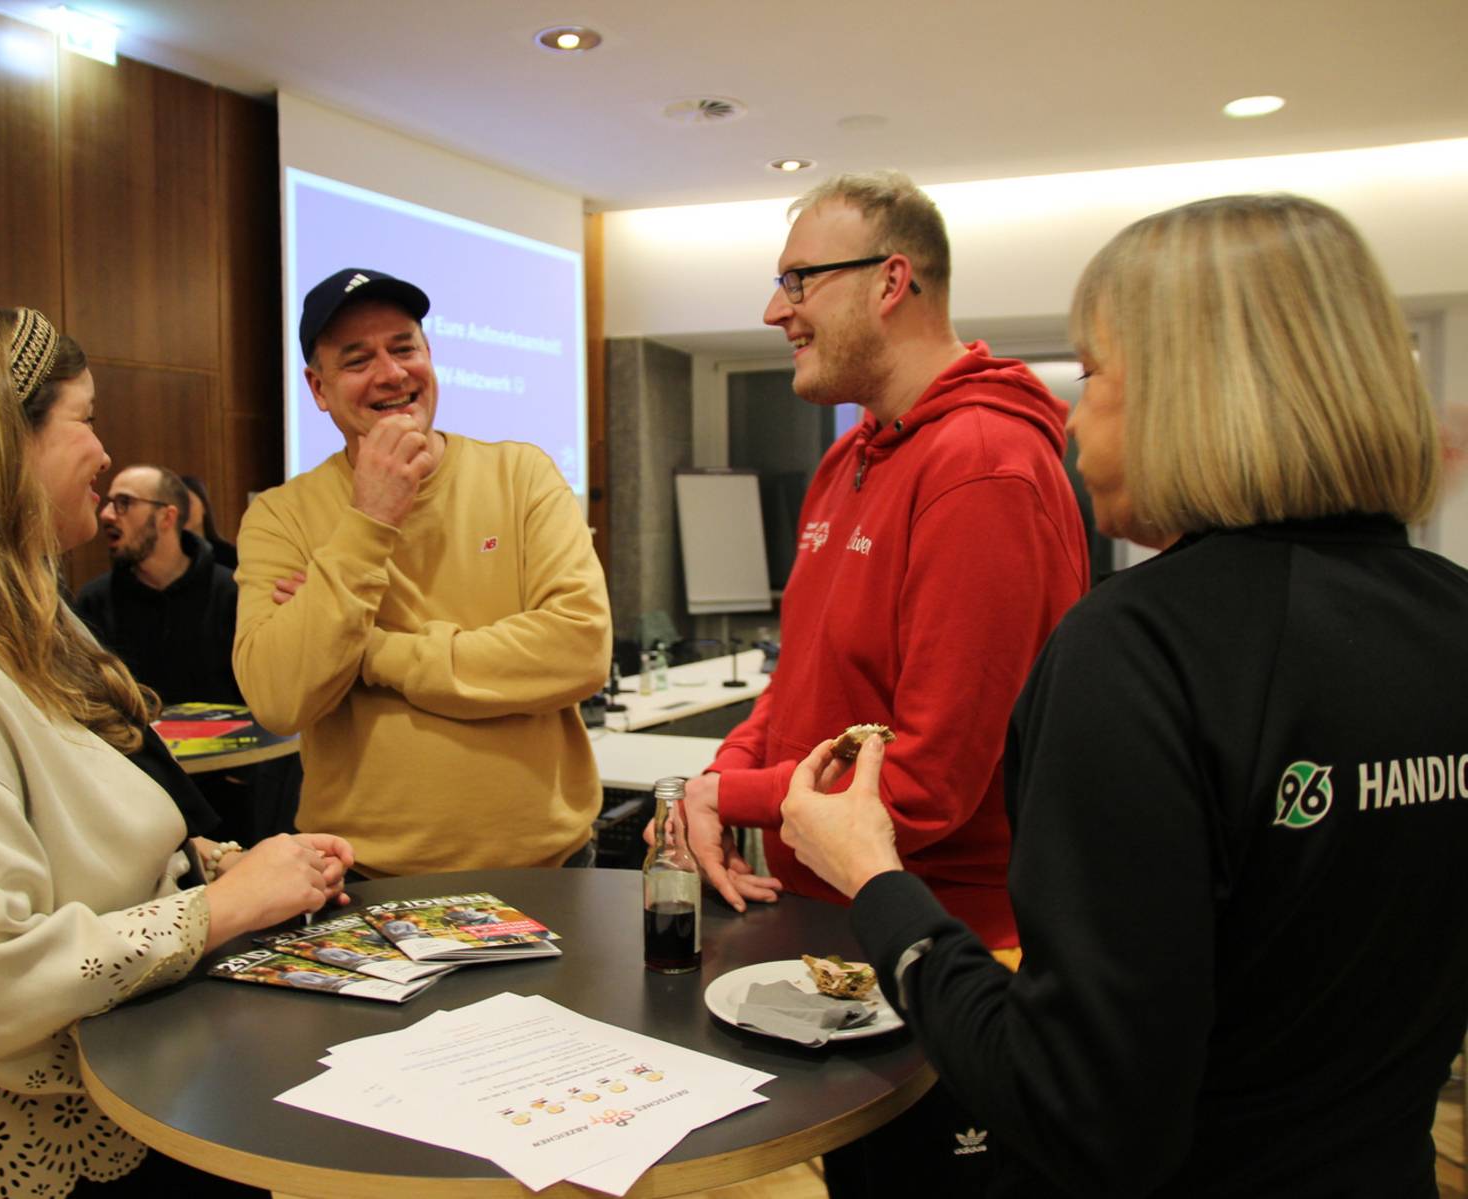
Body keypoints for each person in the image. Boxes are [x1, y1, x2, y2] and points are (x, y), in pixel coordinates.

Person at [780, 194, 1468, 1198]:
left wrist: (878, 883)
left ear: (1194, 392)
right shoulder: (1448, 617)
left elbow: (1081, 1109)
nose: (1069, 413)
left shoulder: (1137, 649)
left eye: (1092, 374)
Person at [0, 306, 355, 1198]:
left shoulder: (26, 620)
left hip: (137, 1104)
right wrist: (221, 910)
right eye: (84, 419)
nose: (103, 456)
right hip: (19, 1158)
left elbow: (92, 830)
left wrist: (223, 867)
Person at [685, 170, 1088, 945]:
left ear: (891, 281)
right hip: (820, 911)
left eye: (798, 280)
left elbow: (927, 781)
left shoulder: (982, 465)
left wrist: (730, 796)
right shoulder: (848, 459)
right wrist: (714, 781)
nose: (777, 310)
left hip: (941, 942)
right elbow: (798, 684)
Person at [233, 268, 611, 877]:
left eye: (404, 348)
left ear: (430, 357)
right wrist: (370, 517)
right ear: (319, 388)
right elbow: (279, 698)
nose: (391, 373)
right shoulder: (281, 516)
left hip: (550, 868)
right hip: (364, 880)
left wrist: (370, 650)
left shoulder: (522, 475)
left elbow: (579, 650)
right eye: (357, 360)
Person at [75, 463, 242, 704]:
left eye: (124, 503)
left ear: (167, 517)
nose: (106, 514)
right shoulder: (94, 601)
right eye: (109, 502)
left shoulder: (231, 593)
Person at [180, 473, 239, 570]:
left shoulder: (230, 555)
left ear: (204, 507)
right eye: (177, 504)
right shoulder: (172, 557)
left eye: (188, 503)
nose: (183, 510)